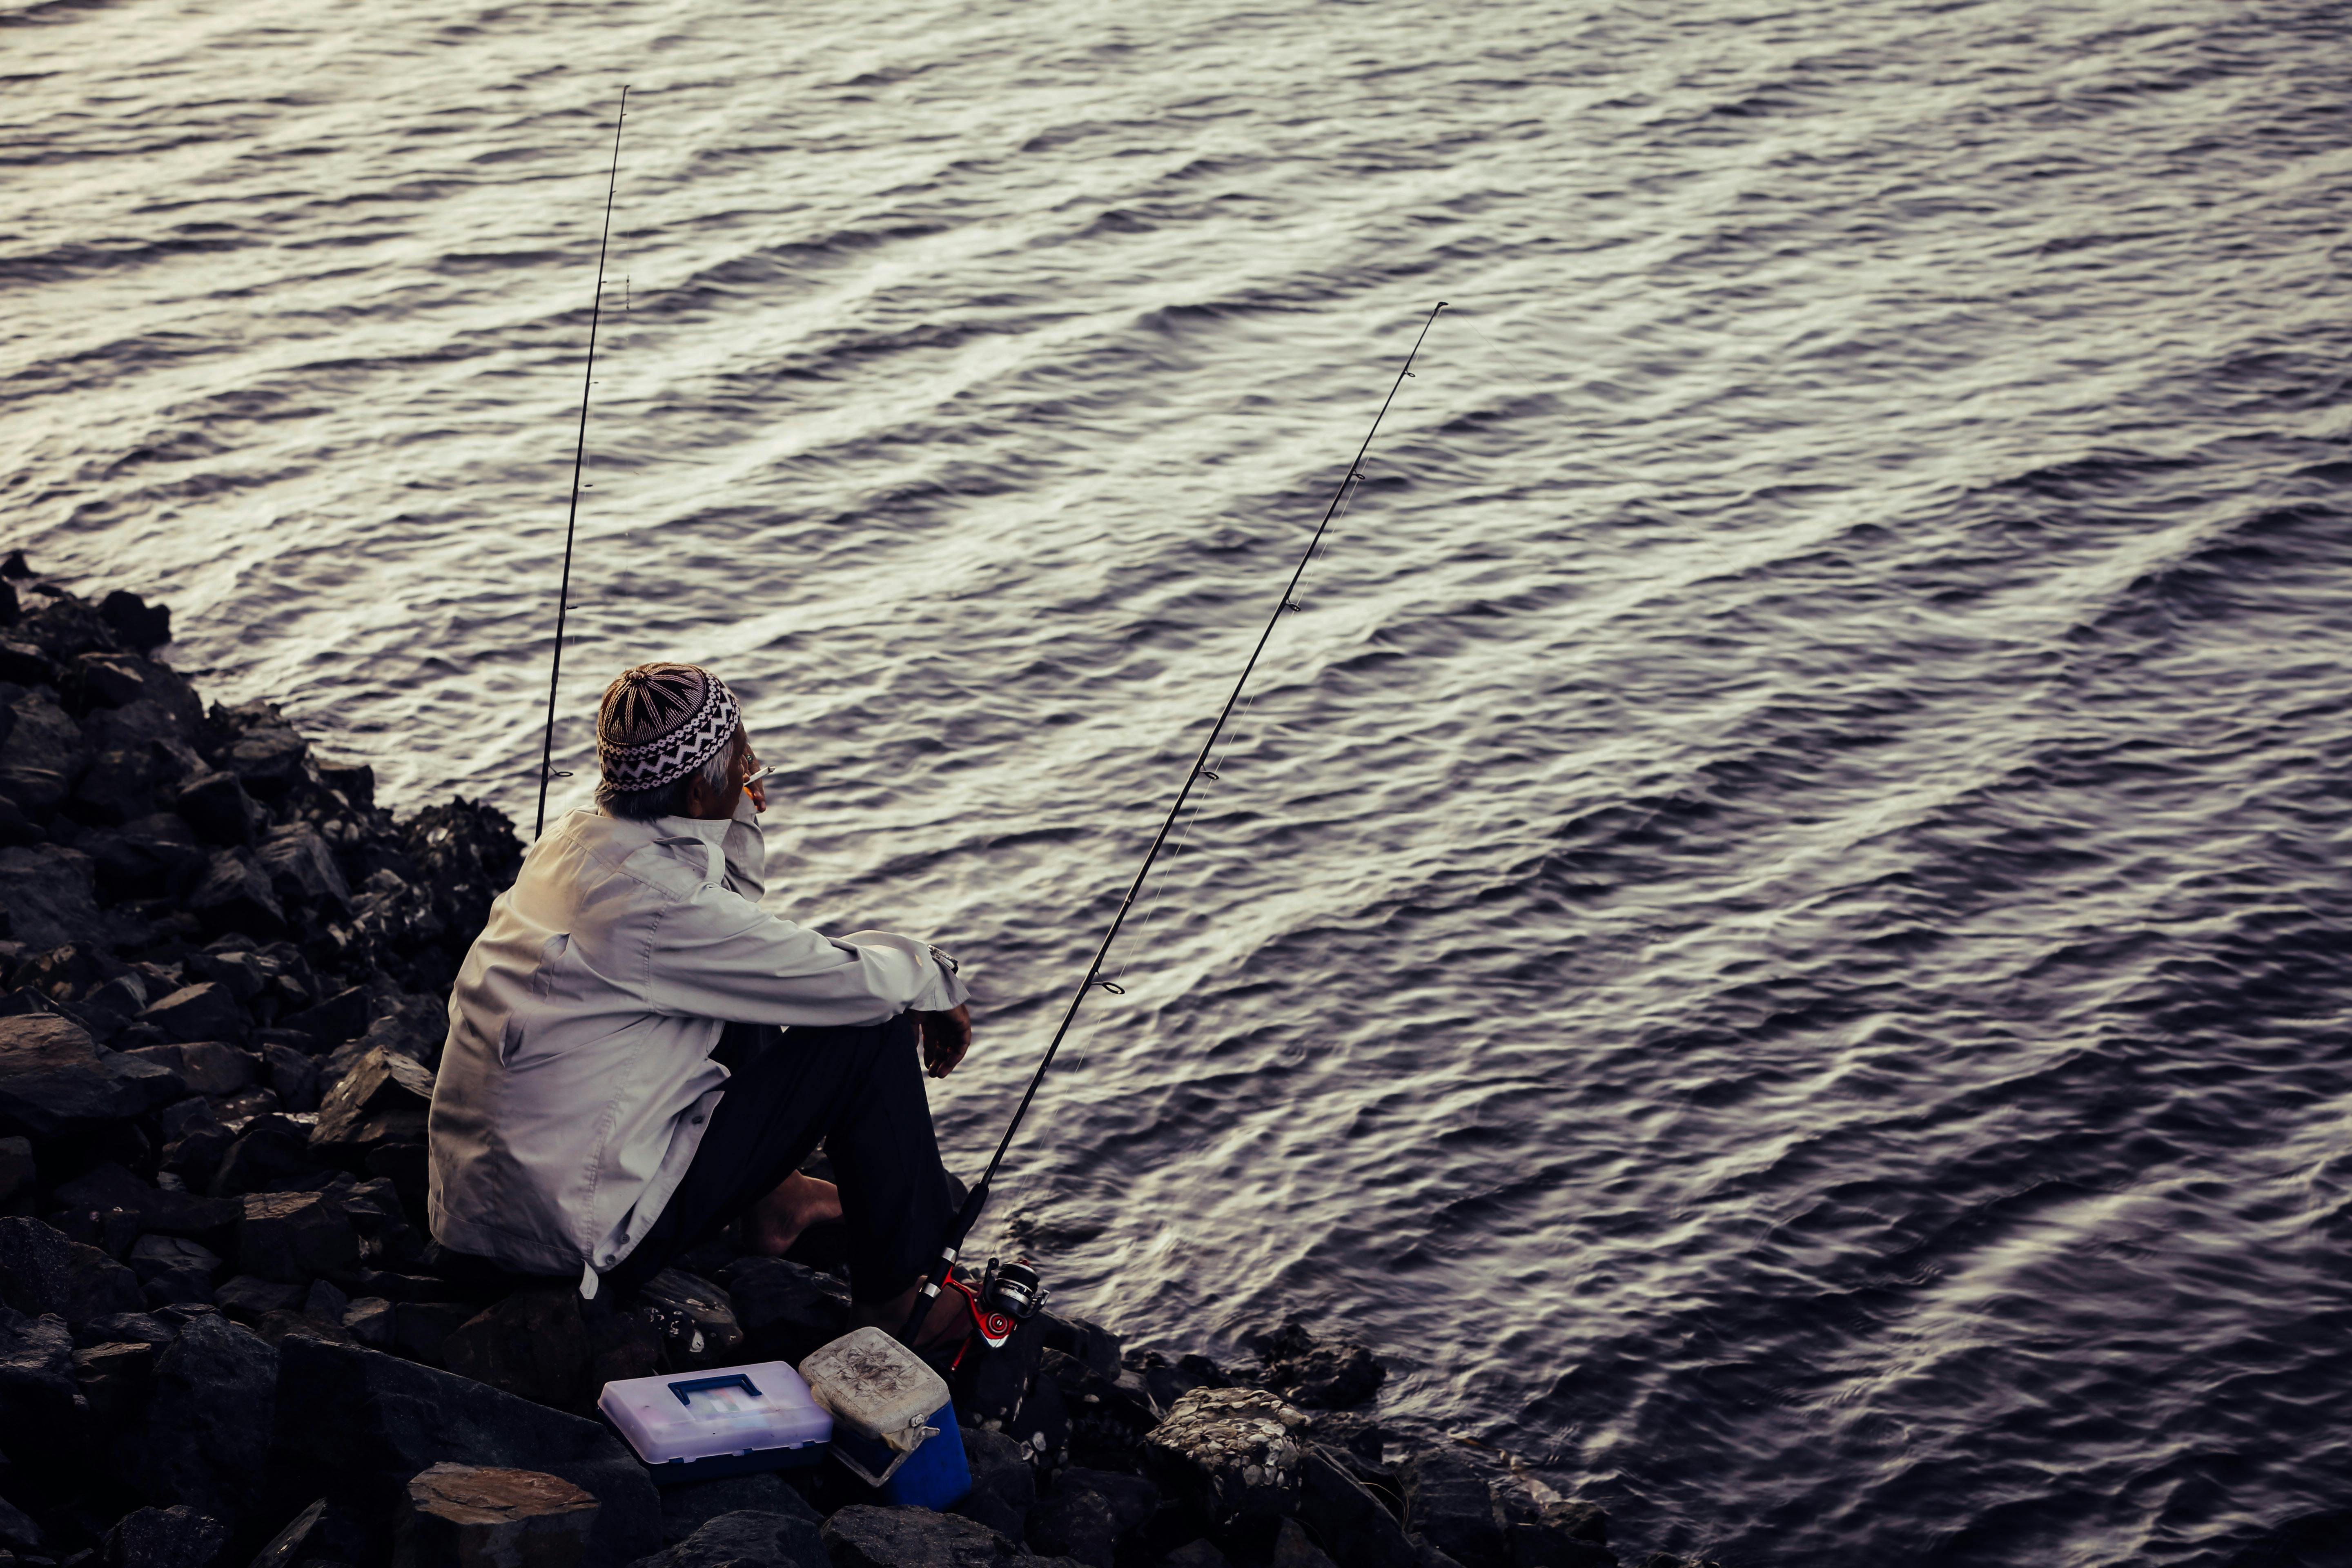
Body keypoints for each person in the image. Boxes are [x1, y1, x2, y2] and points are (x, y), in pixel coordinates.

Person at [427, 660, 974, 1342]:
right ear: (694, 792)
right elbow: (848, 983)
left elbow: (736, 930)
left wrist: (734, 808)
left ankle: (778, 1199)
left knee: (750, 981)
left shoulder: (573, 844)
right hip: (573, 1244)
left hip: (477, 1214)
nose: (752, 768)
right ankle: (896, 1303)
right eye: (741, 758)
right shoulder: (663, 907)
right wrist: (934, 975)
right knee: (872, 1033)